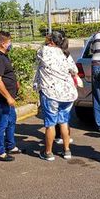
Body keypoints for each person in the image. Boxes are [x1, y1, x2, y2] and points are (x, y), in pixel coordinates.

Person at [34, 32, 78, 161]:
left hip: (51, 93)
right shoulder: (65, 53)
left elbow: (38, 58)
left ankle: (48, 152)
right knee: (64, 122)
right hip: (68, 93)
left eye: (48, 38)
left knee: (50, 124)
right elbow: (74, 70)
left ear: (51, 41)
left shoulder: (43, 51)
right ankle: (67, 150)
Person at [0, 31, 19, 161]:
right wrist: (8, 97)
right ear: (2, 43)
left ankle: (10, 146)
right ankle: (0, 152)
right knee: (2, 124)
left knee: (12, 120)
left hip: (7, 98)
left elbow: (7, 73)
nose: (10, 44)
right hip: (1, 99)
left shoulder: (3, 55)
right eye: (9, 42)